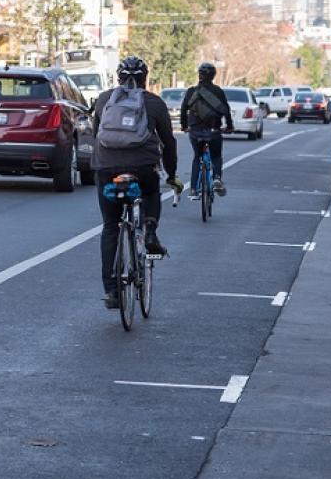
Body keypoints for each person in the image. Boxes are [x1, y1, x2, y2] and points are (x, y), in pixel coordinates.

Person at [92, 56, 182, 309]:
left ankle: (111, 291)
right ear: (146, 78)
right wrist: (171, 173)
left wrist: (98, 168)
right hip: (142, 167)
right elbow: (169, 142)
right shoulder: (154, 102)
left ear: (117, 78)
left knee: (111, 226)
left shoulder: (103, 100)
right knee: (151, 190)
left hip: (106, 169)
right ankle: (150, 230)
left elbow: (96, 133)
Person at [180, 62, 233, 198]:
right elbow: (226, 110)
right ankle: (216, 178)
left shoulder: (192, 91)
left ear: (199, 75)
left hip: (195, 131)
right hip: (214, 131)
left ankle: (192, 189)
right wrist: (229, 126)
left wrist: (184, 126)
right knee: (216, 156)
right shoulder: (218, 91)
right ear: (213, 76)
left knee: (197, 158)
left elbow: (183, 110)